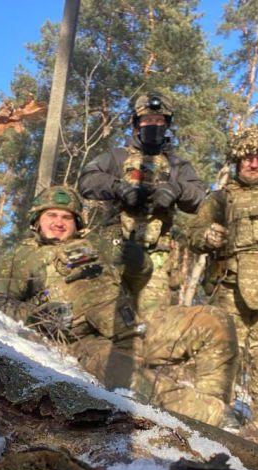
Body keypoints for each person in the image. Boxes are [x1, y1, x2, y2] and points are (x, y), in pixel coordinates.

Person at [0, 185, 237, 426]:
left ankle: (220, 411)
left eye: (66, 217)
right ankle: (212, 422)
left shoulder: (97, 245)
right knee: (135, 383)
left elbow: (134, 285)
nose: (59, 222)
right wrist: (37, 317)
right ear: (37, 219)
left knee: (215, 320)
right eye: (52, 215)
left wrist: (139, 265)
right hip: (88, 343)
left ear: (77, 222)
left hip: (135, 325)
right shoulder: (22, 257)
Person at [186, 124, 258, 435]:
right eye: (248, 157)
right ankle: (212, 418)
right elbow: (191, 234)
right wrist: (206, 236)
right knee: (221, 355)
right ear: (237, 160)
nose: (253, 163)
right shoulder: (220, 200)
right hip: (228, 288)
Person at [77, 93, 206, 313]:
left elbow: (200, 199)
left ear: (166, 125)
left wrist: (178, 189)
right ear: (137, 124)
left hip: (158, 254)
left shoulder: (178, 164)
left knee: (152, 321)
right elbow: (86, 181)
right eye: (147, 120)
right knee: (105, 312)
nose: (153, 125)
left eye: (159, 121)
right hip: (114, 249)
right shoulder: (116, 157)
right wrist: (118, 187)